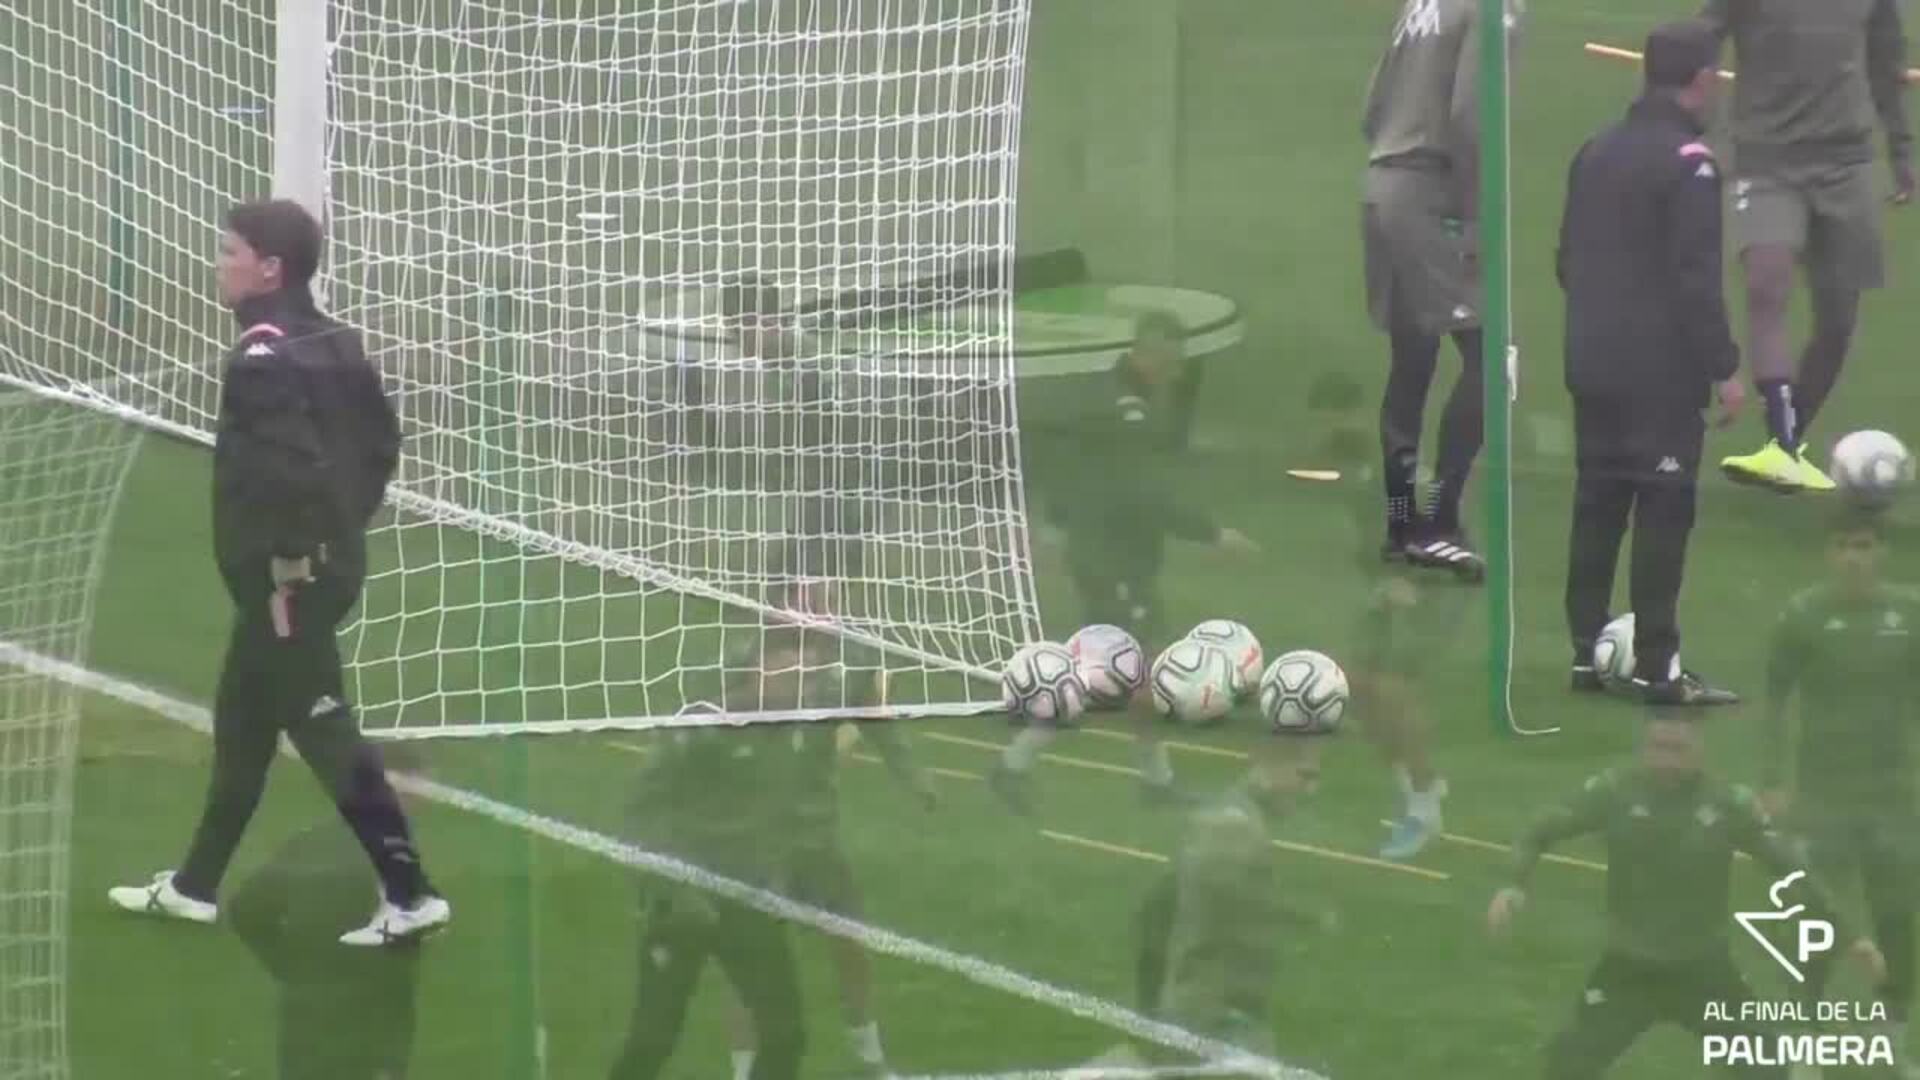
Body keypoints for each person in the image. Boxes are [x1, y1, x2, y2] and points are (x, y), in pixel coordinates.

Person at [109, 199, 448, 946]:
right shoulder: (334, 339)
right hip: (313, 570)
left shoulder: (263, 357)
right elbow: (380, 445)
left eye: (230, 250)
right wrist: (340, 534)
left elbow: (286, 471)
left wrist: (295, 559)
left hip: (287, 582)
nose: (219, 263)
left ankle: (409, 892)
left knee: (324, 729)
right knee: (243, 722)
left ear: (270, 267)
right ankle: (195, 885)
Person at [1489, 711, 1886, 1079]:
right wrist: (1513, 885)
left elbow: (1791, 868)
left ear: (1700, 753)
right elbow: (1540, 829)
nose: (1668, 761)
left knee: (1768, 1070)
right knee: (1566, 1067)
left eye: (1679, 750)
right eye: (1658, 748)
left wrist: (1852, 936)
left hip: (1704, 971)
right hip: (1628, 969)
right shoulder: (1615, 792)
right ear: (1644, 749)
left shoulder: (1727, 804)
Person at [996, 312, 1260, 815]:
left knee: (1125, 671)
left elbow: (1067, 460)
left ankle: (1138, 778)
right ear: (1148, 354)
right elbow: (1141, 493)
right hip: (1111, 559)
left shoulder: (1110, 399)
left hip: (1110, 556)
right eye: (1170, 359)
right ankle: (1022, 765)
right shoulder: (1127, 411)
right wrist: (1211, 533)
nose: (1176, 371)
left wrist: (1056, 523)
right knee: (1126, 669)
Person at [1558, 21, 1744, 707]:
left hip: (1590, 360)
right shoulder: (1691, 163)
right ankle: (1657, 667)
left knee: (1597, 505)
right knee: (1663, 510)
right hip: (1658, 376)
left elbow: (1564, 262)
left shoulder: (1594, 151)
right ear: (1701, 80)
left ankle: (1584, 654)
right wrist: (1723, 367)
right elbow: (1696, 281)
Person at [719, 582, 938, 1080]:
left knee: (851, 947)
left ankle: (871, 1059)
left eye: (827, 603)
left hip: (817, 836)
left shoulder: (849, 668)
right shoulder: (749, 659)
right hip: (757, 839)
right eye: (808, 603)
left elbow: (878, 724)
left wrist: (914, 778)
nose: (821, 613)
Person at [1704, 0, 1913, 493]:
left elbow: (1886, 65)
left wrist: (1902, 151)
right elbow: (1701, 38)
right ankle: (1783, 440)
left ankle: (1785, 443)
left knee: (1838, 319)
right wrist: (1704, 126)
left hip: (1848, 165)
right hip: (1765, 158)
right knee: (1766, 283)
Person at [1359, 0, 1523, 580]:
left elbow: (1372, 106)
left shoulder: (1421, 4)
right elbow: (1471, 116)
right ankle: (1438, 521)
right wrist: (1471, 216)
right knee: (1494, 355)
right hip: (1431, 195)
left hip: (1383, 185)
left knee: (1413, 362)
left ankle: (1402, 523)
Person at [1091, 701, 1340, 1071]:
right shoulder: (1232, 828)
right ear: (1272, 765)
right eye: (1305, 775)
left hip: (1219, 1014)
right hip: (1210, 1018)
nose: (1310, 789)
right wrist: (1299, 918)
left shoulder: (1238, 819)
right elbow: (1205, 914)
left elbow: (1159, 907)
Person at [1761, 510, 1920, 1062]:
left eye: (1865, 546)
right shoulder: (1804, 615)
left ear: (1881, 553)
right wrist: (1770, 780)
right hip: (1822, 794)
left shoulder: (1908, 614)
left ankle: (1893, 1037)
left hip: (1891, 797)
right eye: (1844, 546)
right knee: (1816, 922)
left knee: (1897, 920)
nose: (1854, 557)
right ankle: (1804, 1042)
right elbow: (1774, 698)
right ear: (1830, 554)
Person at [229, 745, 433, 1079]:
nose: (422, 802)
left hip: (304, 1013)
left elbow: (246, 909)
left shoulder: (310, 841)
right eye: (415, 791)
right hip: (364, 1024)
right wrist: (391, 1059)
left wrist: (290, 967)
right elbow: (394, 975)